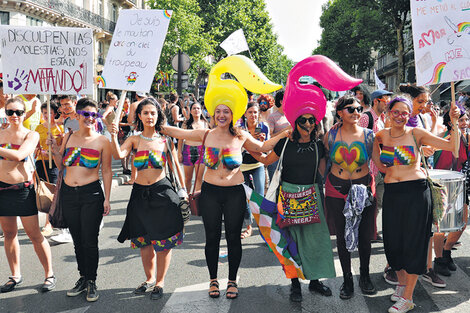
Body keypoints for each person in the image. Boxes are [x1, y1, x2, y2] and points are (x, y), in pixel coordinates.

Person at [161, 55, 287, 300]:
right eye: (218, 111)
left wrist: (285, 135)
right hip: (210, 192)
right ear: (212, 113)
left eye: (226, 111)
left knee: (233, 239)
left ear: (232, 113)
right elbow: (180, 132)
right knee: (211, 239)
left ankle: (231, 281)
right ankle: (212, 281)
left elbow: (262, 149)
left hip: (234, 193)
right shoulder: (205, 134)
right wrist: (158, 124)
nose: (221, 115)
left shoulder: (240, 136)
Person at [372, 97, 460, 313]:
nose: (401, 116)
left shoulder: (416, 134)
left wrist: (454, 123)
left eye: (405, 113)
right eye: (396, 112)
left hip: (416, 194)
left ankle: (408, 297)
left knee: (414, 244)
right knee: (393, 244)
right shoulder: (381, 135)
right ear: (389, 112)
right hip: (393, 194)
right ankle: (402, 285)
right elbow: (377, 161)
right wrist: (391, 172)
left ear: (409, 115)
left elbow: (451, 147)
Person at [110, 97, 184, 301]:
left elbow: (176, 166)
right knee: (144, 241)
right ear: (139, 116)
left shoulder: (165, 140)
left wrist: (183, 190)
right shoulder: (134, 139)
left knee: (163, 239)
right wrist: (113, 136)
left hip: (162, 193)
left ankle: (160, 282)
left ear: (159, 115)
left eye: (153, 113)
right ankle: (149, 279)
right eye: (146, 113)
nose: (150, 116)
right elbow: (118, 155)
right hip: (139, 194)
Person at [50, 98, 112, 302]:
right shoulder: (68, 137)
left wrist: (107, 199)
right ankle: (83, 278)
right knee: (77, 240)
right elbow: (61, 166)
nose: (90, 118)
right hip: (69, 194)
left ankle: (92, 281)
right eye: (86, 114)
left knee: (89, 240)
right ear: (77, 115)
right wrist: (53, 149)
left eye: (94, 115)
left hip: (91, 195)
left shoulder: (102, 140)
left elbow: (107, 170)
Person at [0, 97, 55, 293]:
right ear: (5, 113)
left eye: (18, 112)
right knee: (9, 234)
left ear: (25, 114)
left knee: (34, 234)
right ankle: (15, 275)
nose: (14, 115)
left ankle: (49, 274)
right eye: (10, 112)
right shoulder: (0, 133)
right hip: (2, 190)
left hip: (23, 190)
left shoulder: (31, 135)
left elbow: (19, 155)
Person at [324, 95, 376, 299]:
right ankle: (347, 279)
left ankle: (365, 276)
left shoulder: (370, 135)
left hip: (363, 188)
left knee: (364, 236)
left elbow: (380, 164)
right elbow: (322, 161)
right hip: (336, 189)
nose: (356, 112)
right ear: (339, 113)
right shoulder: (330, 136)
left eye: (358, 109)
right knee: (342, 236)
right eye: (351, 109)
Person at [432, 108, 469, 278]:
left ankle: (447, 252)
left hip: (461, 183)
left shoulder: (466, 137)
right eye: (461, 120)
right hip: (442, 183)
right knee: (441, 225)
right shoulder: (443, 136)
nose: (465, 123)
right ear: (450, 122)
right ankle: (439, 260)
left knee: (461, 222)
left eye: (466, 119)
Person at [239, 102, 269, 239]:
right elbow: (236, 150)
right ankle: (248, 227)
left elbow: (267, 149)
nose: (253, 115)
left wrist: (262, 144)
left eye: (255, 112)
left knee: (259, 196)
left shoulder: (263, 127)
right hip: (242, 166)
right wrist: (248, 144)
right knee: (245, 198)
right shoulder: (239, 129)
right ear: (245, 114)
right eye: (250, 112)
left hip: (258, 165)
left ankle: (263, 228)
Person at [35, 101, 64, 237]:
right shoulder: (38, 128)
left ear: (55, 113)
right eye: (45, 113)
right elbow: (35, 146)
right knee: (43, 191)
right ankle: (48, 220)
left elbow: (63, 148)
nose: (47, 115)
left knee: (53, 191)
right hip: (41, 163)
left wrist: (53, 150)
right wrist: (39, 150)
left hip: (55, 164)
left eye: (50, 112)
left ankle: (49, 223)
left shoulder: (60, 128)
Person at [177, 102, 209, 194]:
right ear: (190, 111)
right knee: (188, 178)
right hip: (187, 151)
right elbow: (180, 139)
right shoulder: (186, 124)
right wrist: (179, 153)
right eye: (194, 108)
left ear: (201, 110)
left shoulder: (205, 123)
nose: (196, 110)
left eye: (198, 108)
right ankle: (186, 199)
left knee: (199, 179)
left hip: (201, 151)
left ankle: (196, 200)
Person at [266, 90, 290, 180]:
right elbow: (270, 136)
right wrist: (286, 130)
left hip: (288, 154)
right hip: (275, 155)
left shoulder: (291, 115)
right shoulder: (272, 117)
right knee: (274, 184)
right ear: (281, 101)